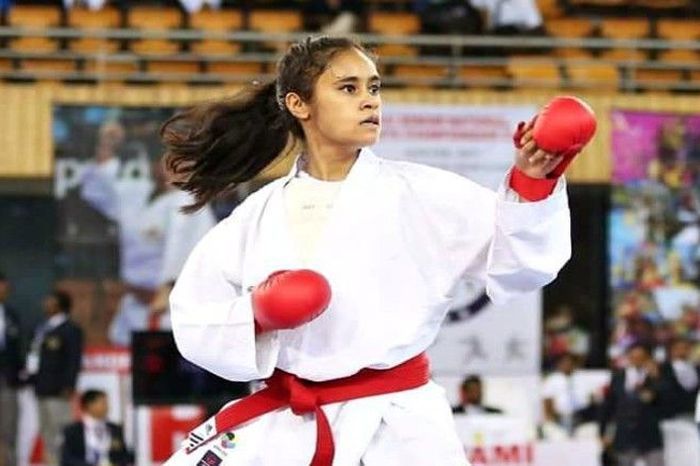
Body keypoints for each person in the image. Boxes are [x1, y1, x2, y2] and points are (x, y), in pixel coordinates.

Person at [161, 36, 592, 465]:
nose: (369, 102)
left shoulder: (424, 194)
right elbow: (194, 317)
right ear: (299, 104)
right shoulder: (255, 216)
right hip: (289, 425)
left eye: (374, 87)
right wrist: (257, 315)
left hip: (399, 429)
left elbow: (520, 265)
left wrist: (533, 182)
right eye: (349, 88)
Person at [80, 120, 216, 347]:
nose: (174, 168)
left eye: (183, 161)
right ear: (155, 164)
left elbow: (189, 254)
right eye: (167, 160)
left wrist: (168, 288)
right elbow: (97, 190)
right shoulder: (134, 194)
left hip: (172, 307)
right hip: (133, 302)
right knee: (128, 367)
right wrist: (106, 145)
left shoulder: (192, 204)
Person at [24, 290, 84, 466]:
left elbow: (74, 359)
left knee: (63, 431)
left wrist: (69, 385)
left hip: (59, 390)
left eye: (49, 300)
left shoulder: (71, 329)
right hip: (41, 387)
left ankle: (69, 462)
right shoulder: (42, 327)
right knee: (47, 431)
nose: (45, 303)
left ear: (60, 305)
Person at [599, 343, 664, 466]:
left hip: (650, 436)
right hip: (625, 437)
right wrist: (602, 432)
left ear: (648, 358)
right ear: (628, 358)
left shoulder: (656, 376)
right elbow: (608, 406)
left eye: (641, 358)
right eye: (634, 357)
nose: (637, 361)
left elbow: (664, 399)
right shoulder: (618, 377)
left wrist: (655, 379)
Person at [61, 389, 132, 466]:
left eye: (107, 403)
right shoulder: (72, 430)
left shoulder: (115, 429)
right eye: (103, 403)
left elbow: (124, 455)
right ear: (90, 405)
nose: (107, 407)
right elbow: (67, 459)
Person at [541, 352, 596, 437]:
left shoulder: (582, 377)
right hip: (562, 416)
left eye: (570, 362)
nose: (567, 364)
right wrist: (551, 419)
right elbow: (547, 402)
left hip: (583, 415)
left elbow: (591, 397)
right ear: (559, 364)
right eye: (564, 362)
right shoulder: (552, 379)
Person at [0, 272, 22, 466]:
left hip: (6, 380)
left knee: (8, 428)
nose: (5, 291)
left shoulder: (11, 314)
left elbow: (18, 347)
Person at [659, 337, 700, 420]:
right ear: (671, 350)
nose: (682, 351)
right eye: (678, 348)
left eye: (686, 348)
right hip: (672, 414)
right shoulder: (663, 369)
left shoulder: (696, 368)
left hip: (693, 411)